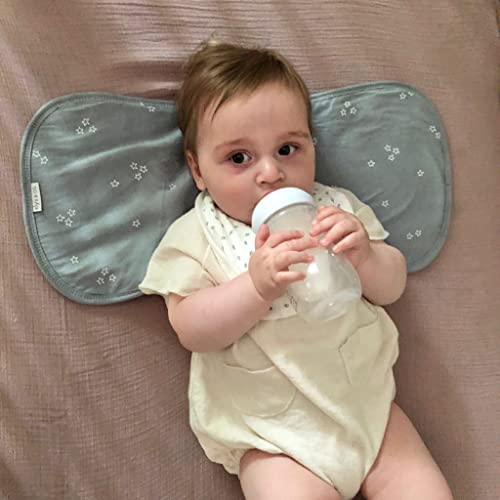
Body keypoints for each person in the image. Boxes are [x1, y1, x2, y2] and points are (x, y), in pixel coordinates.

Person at [139, 39, 453, 500]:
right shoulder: (198, 234)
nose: (270, 172)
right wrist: (255, 286)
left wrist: (364, 256)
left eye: (287, 148)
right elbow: (191, 329)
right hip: (274, 436)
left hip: (369, 412)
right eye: (239, 158)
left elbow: (392, 287)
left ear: (312, 145)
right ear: (198, 170)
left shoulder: (336, 208)